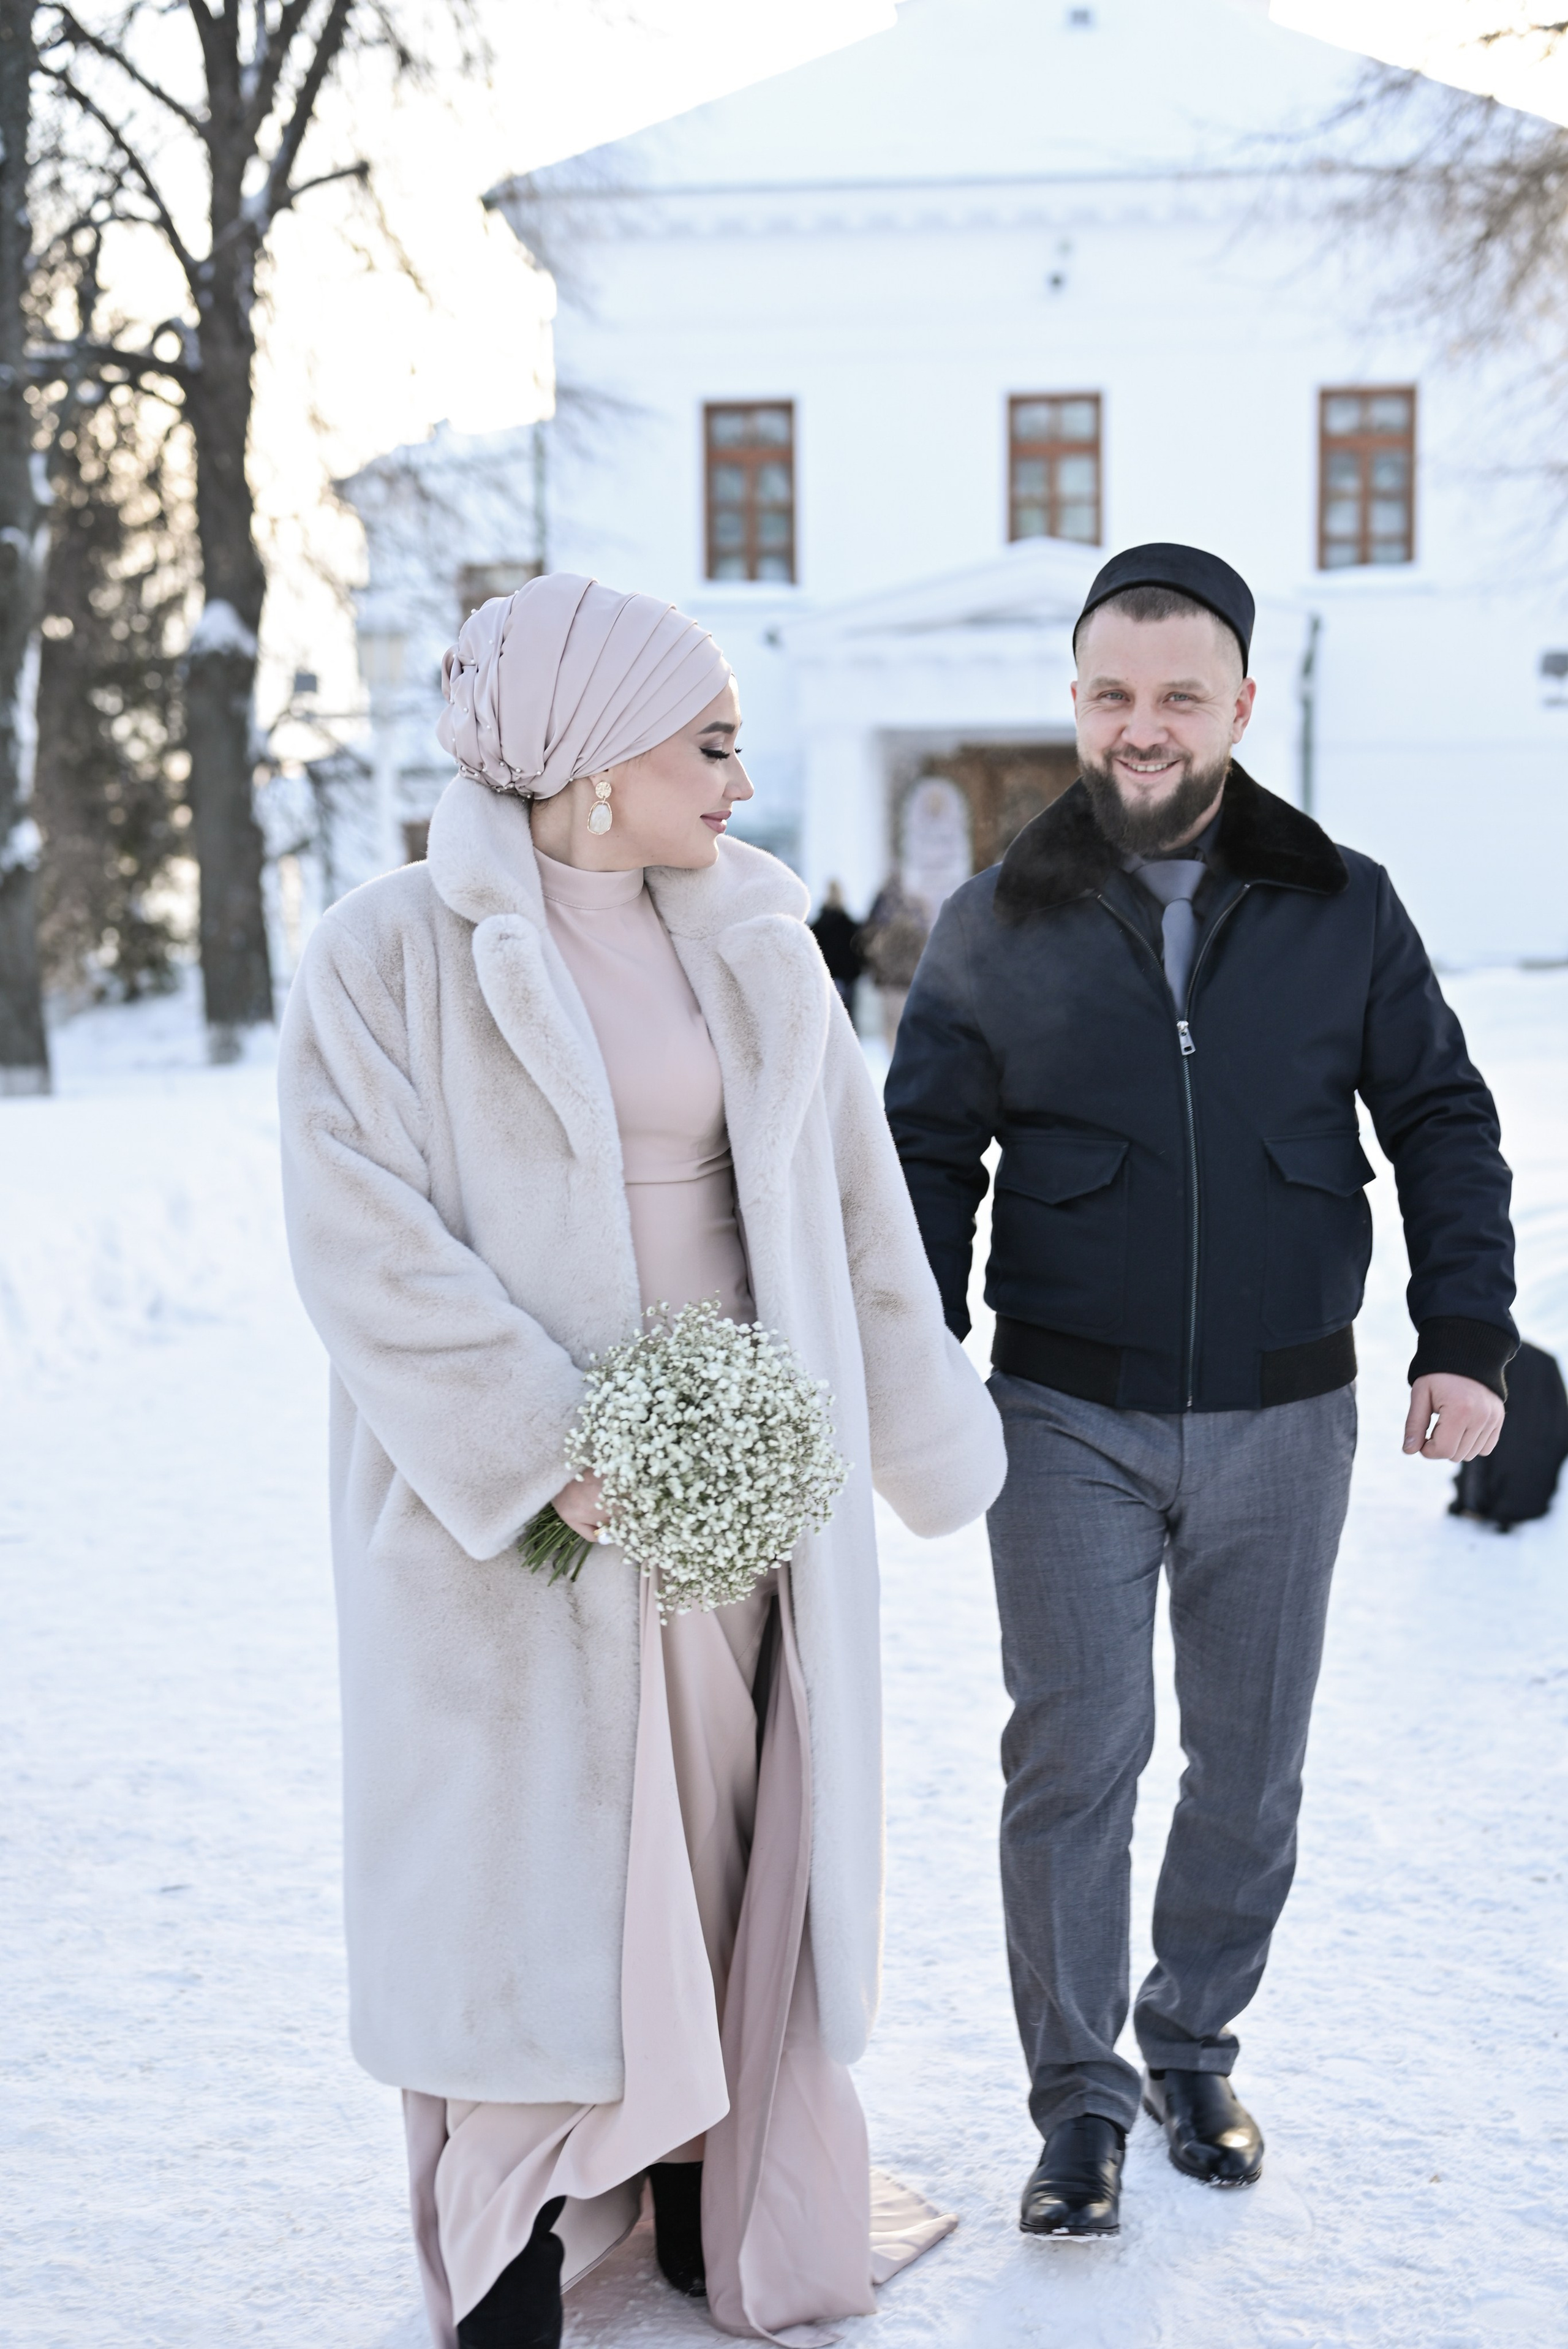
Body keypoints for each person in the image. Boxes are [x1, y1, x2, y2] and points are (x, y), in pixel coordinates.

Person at [277, 573, 1005, 2348]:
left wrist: (920, 1440)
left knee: (726, 1827)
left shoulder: (755, 926)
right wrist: (547, 1444)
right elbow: (357, 1234)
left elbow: (850, 1209)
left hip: (735, 1473)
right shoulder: (385, 952)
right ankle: (522, 2242)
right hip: (510, 1517)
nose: (740, 784)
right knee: (533, 1868)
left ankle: (705, 2192)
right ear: (597, 763)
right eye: (711, 744)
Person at [884, 543, 1515, 2239]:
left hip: (1284, 1413)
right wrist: (913, 1356)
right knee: (1075, 1750)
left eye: (1178, 695)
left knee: (1248, 1765)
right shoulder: (995, 914)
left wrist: (1463, 1337)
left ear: (1240, 702)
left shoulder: (1345, 905)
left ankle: (1194, 2042)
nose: (1142, 727)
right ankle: (1079, 2096)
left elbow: (1444, 1119)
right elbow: (925, 1151)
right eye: (1111, 694)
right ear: (1076, 701)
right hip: (1063, 1415)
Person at [860, 876, 930, 1050]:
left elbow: (867, 942)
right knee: (908, 1023)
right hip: (909, 979)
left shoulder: (880, 913)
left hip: (889, 980)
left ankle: (895, 1060)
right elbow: (923, 946)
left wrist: (876, 972)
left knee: (891, 1024)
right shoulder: (914, 912)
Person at [809, 879, 864, 1016]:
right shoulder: (850, 926)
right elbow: (859, 953)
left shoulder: (818, 926)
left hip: (827, 976)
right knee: (847, 1018)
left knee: (829, 1017)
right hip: (846, 979)